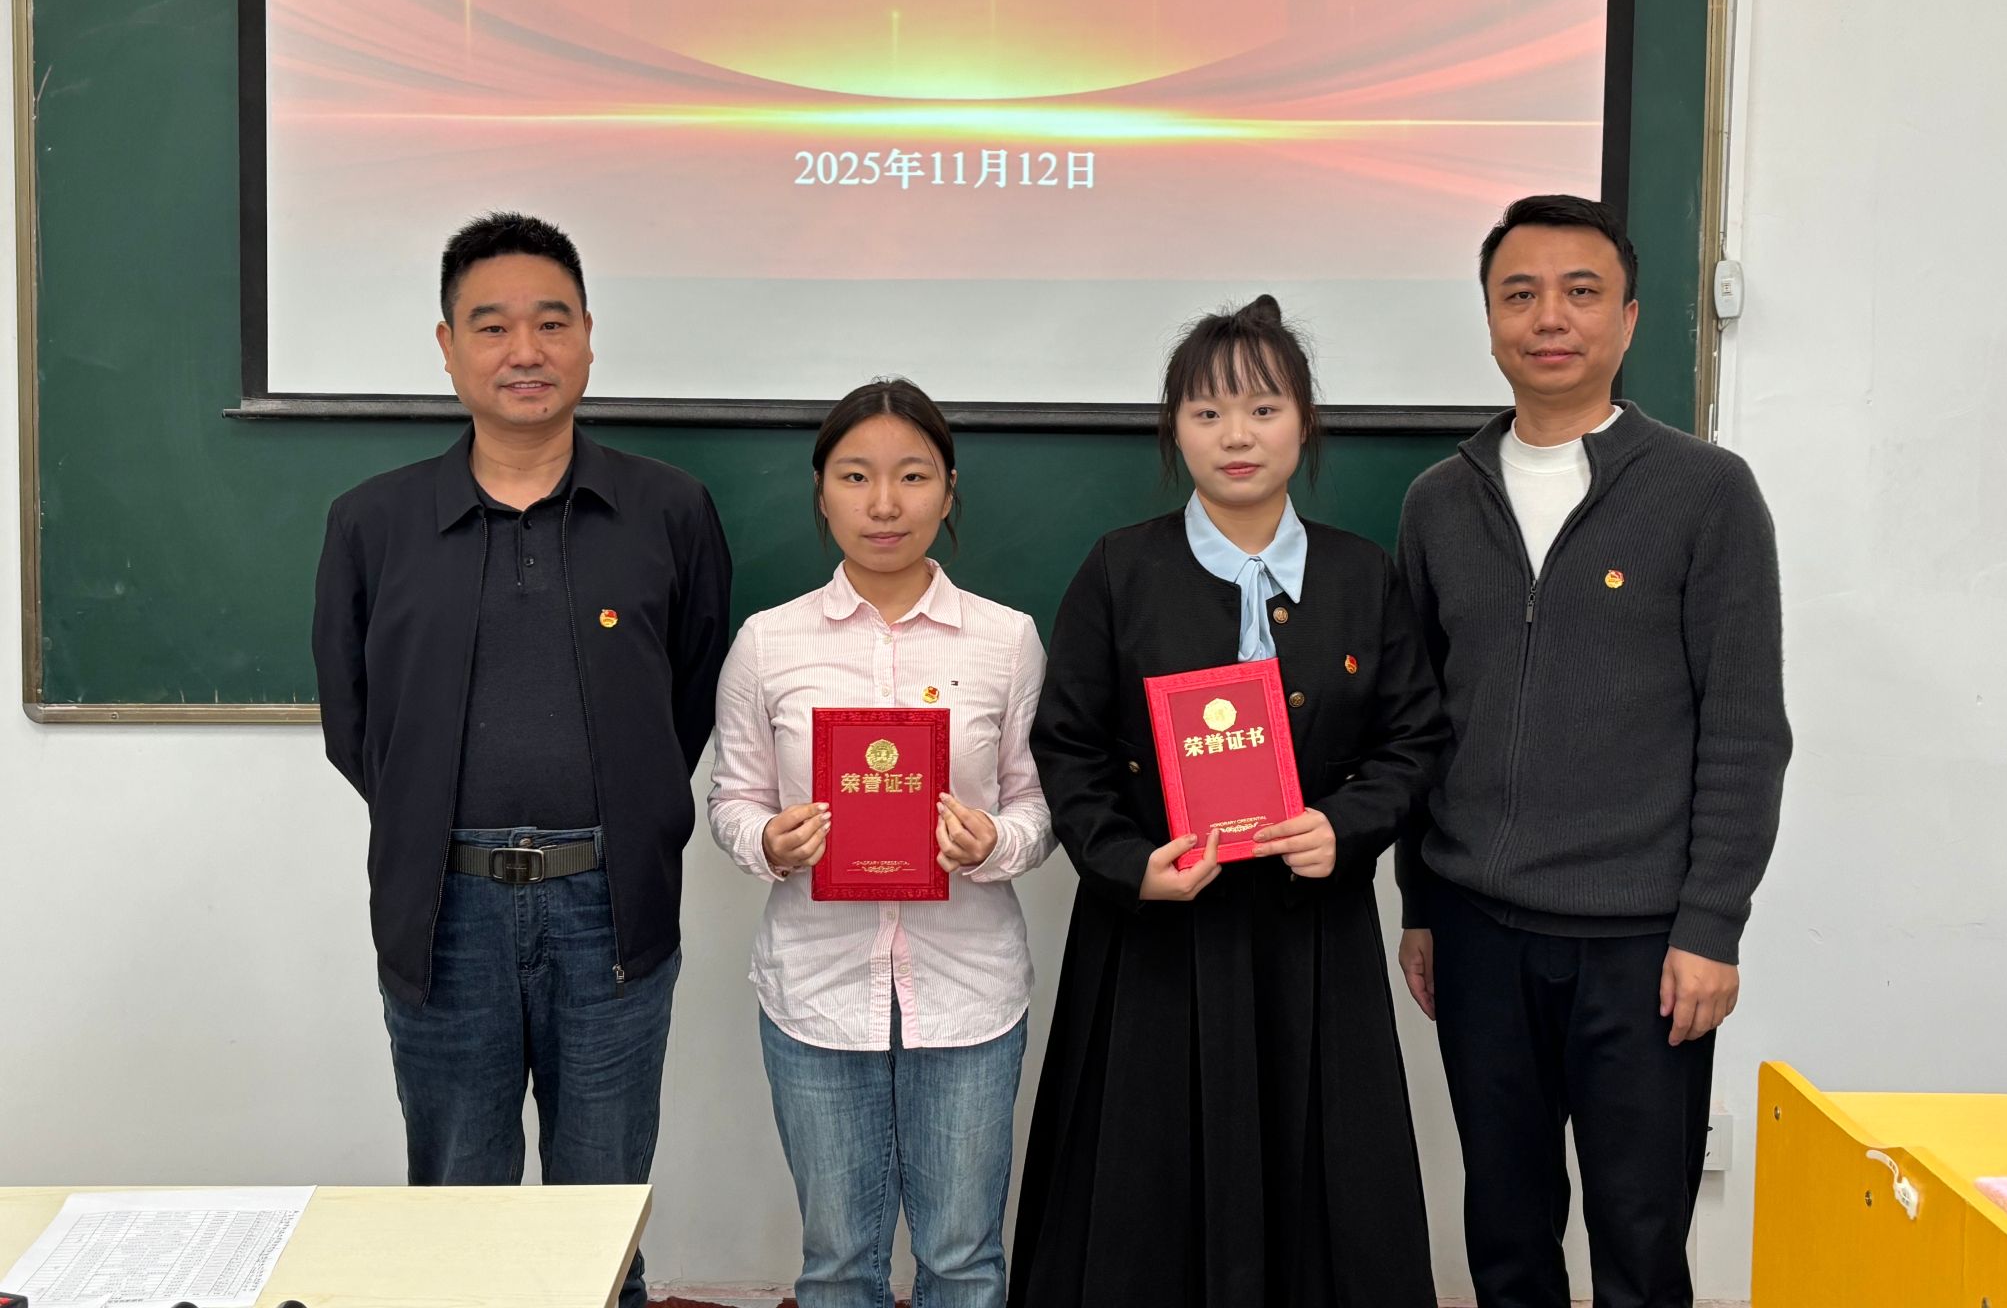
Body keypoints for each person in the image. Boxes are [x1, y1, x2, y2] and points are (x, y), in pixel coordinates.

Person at [311, 212, 731, 1308]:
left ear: (588, 336)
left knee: (601, 1220)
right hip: (444, 913)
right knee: (459, 1215)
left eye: (551, 322)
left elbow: (686, 699)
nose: (525, 351)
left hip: (611, 909)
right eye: (491, 326)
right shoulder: (372, 524)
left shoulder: (669, 511)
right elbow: (356, 726)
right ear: (447, 348)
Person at [1395, 194, 1792, 1308]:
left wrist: (1710, 926)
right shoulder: (1437, 502)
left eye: (1580, 292)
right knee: (1505, 1232)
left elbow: (1744, 730)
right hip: (1476, 931)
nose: (1548, 318)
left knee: (1639, 1241)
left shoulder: (1705, 492)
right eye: (1519, 294)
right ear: (1488, 318)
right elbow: (1421, 726)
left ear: (1627, 318)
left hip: (1644, 943)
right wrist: (1419, 904)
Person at [1010, 296, 1444, 1308]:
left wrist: (1345, 827)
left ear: (1304, 422)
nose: (1236, 435)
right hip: (1156, 937)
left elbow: (1415, 738)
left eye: (1262, 408)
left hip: (1312, 936)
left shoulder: (1361, 573)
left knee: (1326, 1191)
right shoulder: (1120, 568)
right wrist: (1129, 865)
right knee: (1143, 1193)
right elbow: (1065, 743)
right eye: (1206, 413)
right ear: (1174, 430)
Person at [707, 378, 1054, 1308]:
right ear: (822, 492)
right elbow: (732, 797)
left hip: (968, 990)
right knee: (836, 1262)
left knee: (963, 1259)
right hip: (817, 989)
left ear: (948, 490)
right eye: (857, 476)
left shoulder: (1007, 641)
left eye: (913, 475)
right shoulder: (768, 644)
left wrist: (993, 842)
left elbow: (1038, 805)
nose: (886, 503)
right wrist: (769, 841)